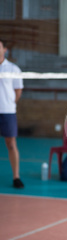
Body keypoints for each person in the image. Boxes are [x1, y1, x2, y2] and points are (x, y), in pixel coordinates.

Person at [0, 38, 24, 189]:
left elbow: (18, 91)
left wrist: (9, 104)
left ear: (4, 50)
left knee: (11, 144)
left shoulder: (13, 69)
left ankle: (16, 177)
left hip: (7, 111)